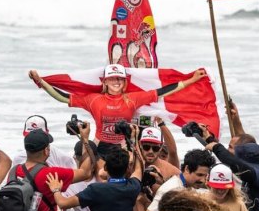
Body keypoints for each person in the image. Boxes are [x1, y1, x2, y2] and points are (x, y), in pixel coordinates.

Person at [28, 64, 206, 159]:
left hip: (123, 146)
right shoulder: (93, 99)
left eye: (120, 79)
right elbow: (62, 97)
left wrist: (191, 80)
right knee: (88, 176)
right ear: (104, 82)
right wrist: (41, 82)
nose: (116, 82)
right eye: (112, 78)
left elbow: (163, 91)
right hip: (98, 144)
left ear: (124, 82)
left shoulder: (132, 98)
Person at [46, 126, 143, 211]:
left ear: (106, 167)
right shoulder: (132, 187)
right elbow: (138, 168)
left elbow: (62, 203)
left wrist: (56, 189)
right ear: (127, 169)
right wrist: (134, 140)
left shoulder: (95, 190)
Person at [15, 126, 94, 211]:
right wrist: (85, 140)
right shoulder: (49, 174)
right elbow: (85, 172)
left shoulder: (14, 172)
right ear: (46, 150)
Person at [135, 126, 181, 211]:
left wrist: (163, 183)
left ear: (160, 148)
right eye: (146, 147)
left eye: (155, 148)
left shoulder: (171, 170)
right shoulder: (130, 166)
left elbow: (181, 200)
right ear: (140, 146)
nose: (150, 151)